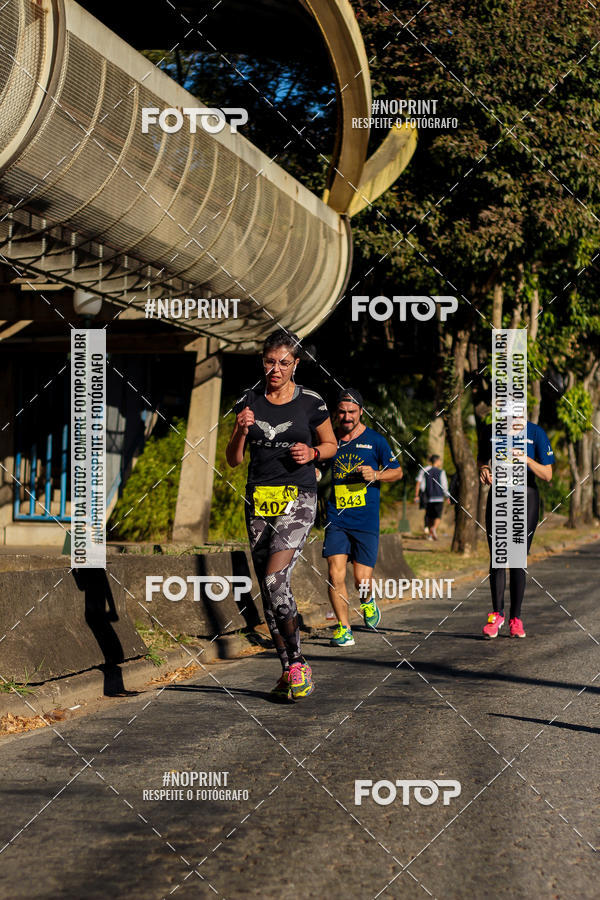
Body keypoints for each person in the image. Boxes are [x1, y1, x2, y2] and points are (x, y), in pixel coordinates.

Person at [226, 329, 336, 699]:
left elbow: (330, 444)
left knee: (275, 580)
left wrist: (314, 454)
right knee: (268, 591)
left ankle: (300, 662)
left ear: (295, 364)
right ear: (263, 362)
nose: (276, 369)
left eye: (284, 362)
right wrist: (240, 431)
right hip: (259, 500)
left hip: (299, 497)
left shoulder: (312, 402)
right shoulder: (250, 400)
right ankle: (288, 670)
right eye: (270, 362)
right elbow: (233, 459)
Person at [321, 388, 403, 647]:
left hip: (366, 520)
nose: (346, 416)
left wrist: (377, 475)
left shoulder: (376, 441)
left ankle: (366, 600)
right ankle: (344, 629)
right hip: (337, 518)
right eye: (342, 412)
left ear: (361, 413)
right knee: (335, 574)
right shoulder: (330, 441)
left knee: (361, 581)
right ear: (336, 413)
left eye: (352, 412)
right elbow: (316, 467)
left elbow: (398, 472)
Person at [478, 412, 554, 639]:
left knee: (517, 557)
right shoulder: (491, 431)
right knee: (498, 556)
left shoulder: (535, 433)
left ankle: (516, 618)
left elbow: (548, 474)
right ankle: (496, 614)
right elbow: (482, 459)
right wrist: (484, 470)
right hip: (499, 496)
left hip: (526, 497)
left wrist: (527, 460)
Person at [414, 455, 450, 540]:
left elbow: (422, 485)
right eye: (440, 461)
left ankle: (430, 534)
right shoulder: (441, 472)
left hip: (429, 497)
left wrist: (418, 495)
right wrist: (448, 496)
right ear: (437, 461)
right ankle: (434, 528)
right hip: (439, 497)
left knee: (429, 516)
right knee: (438, 516)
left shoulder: (426, 471)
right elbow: (444, 486)